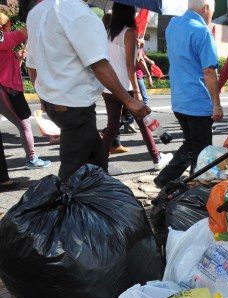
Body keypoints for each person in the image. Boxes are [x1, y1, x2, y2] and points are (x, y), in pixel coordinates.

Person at [26, 0, 149, 181]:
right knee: (72, 174)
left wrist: (43, 97)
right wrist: (129, 100)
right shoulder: (79, 14)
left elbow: (32, 63)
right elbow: (99, 65)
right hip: (75, 104)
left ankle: (101, 190)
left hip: (56, 101)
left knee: (96, 161)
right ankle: (66, 198)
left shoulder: (38, 10)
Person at [154, 0, 222, 188]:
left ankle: (165, 179)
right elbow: (209, 71)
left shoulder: (173, 25)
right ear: (206, 8)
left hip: (179, 99)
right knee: (201, 150)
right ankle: (196, 187)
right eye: (212, 12)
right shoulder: (202, 32)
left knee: (191, 143)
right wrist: (216, 104)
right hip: (197, 100)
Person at [101, 3, 172, 171]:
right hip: (125, 87)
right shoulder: (129, 33)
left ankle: (100, 164)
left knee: (112, 127)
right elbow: (130, 66)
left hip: (109, 86)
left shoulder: (107, 32)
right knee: (142, 121)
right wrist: (136, 91)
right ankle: (156, 158)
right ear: (130, 13)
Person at [0, 13, 51, 170]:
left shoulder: (4, 44)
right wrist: (39, 13)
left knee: (24, 125)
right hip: (6, 90)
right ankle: (32, 159)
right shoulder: (2, 38)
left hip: (8, 88)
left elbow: (8, 67)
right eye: (7, 25)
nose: (9, 28)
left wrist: (19, 57)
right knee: (24, 125)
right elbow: (23, 33)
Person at [136, 39, 155, 105]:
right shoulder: (136, 47)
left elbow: (143, 56)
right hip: (137, 75)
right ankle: (142, 111)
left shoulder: (138, 47)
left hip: (135, 75)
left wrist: (149, 61)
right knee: (144, 99)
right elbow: (140, 60)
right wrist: (149, 76)